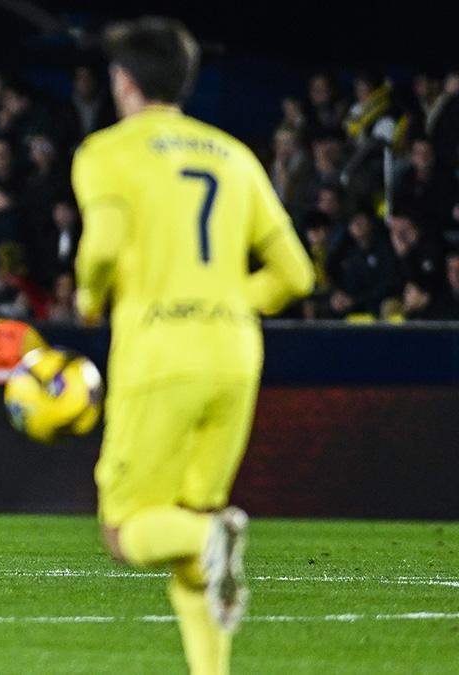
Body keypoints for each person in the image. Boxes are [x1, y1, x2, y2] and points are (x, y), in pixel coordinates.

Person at [71, 18, 314, 674]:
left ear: (124, 82)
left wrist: (89, 297)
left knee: (125, 529)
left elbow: (101, 248)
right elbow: (296, 275)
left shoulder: (107, 152)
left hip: (159, 353)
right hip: (235, 354)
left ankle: (211, 535)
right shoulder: (234, 155)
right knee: (192, 533)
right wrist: (229, 300)